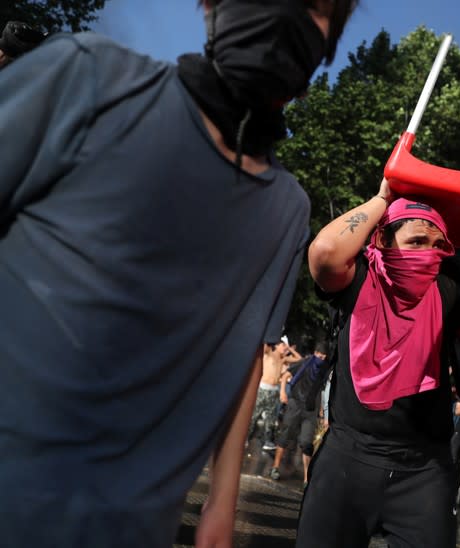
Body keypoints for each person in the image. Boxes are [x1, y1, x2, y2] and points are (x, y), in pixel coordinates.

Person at [0, 1, 356, 546]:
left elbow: (244, 356)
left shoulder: (286, 210)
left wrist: (222, 501)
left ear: (328, 45)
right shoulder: (90, 78)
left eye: (315, 5)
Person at [297, 182, 460, 547]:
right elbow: (324, 250)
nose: (429, 254)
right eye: (416, 242)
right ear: (383, 240)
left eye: (438, 247)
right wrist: (383, 198)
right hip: (347, 460)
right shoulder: (357, 277)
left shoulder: (450, 288)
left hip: (424, 471)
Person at [269, 348, 327, 484]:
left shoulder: (324, 370)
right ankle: (275, 467)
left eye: (324, 356)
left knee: (307, 443)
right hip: (295, 404)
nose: (321, 358)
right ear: (315, 353)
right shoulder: (305, 363)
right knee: (285, 435)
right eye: (320, 354)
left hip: (310, 410)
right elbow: (285, 375)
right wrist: (283, 392)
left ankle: (307, 478)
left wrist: (322, 410)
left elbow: (323, 390)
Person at [247, 339, 302, 453]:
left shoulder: (283, 359)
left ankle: (267, 441)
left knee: (271, 418)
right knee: (254, 415)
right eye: (283, 345)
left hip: (274, 391)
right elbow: (264, 345)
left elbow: (300, 360)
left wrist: (290, 348)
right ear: (276, 346)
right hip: (263, 388)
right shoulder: (268, 354)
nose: (285, 348)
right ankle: (245, 437)